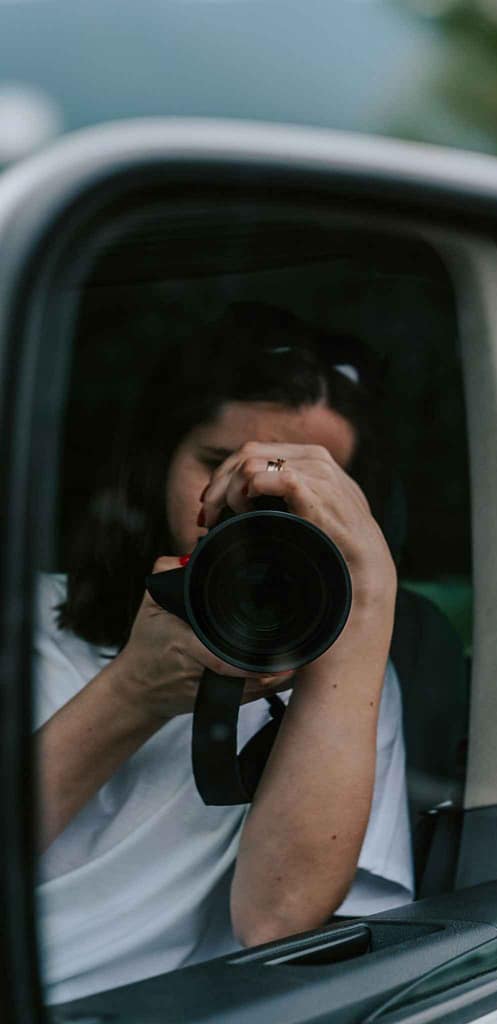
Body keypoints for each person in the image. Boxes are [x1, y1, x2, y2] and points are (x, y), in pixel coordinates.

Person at [33, 303, 414, 1005]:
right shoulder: (21, 618)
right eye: (217, 464)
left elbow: (277, 923)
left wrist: (364, 599)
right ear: (153, 466)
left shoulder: (348, 666)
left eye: (305, 488)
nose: (250, 497)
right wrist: (134, 691)